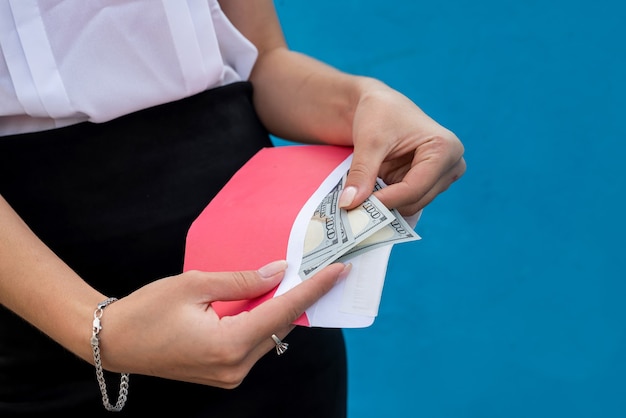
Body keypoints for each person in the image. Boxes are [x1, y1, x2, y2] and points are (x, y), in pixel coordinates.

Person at [0, 1, 466, 417]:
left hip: (269, 315)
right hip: (36, 321)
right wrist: (94, 328)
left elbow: (261, 60)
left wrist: (364, 101)